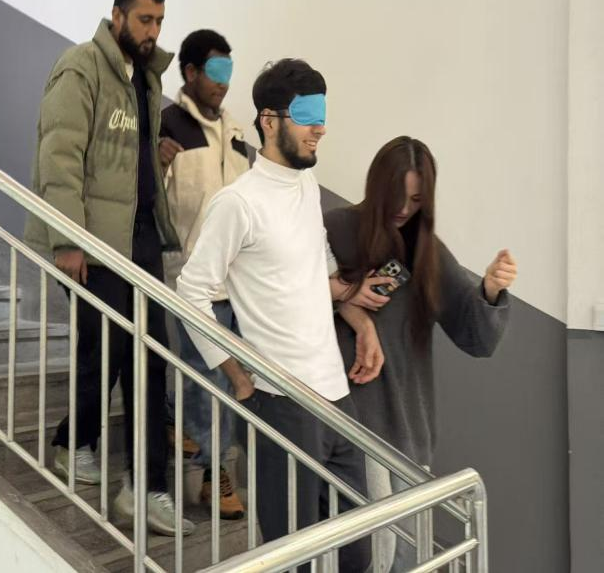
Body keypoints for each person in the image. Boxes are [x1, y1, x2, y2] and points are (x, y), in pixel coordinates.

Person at [177, 59, 374, 572]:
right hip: (282, 402)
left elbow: (317, 271)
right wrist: (238, 376)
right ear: (269, 121)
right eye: (307, 116)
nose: (320, 128)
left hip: (337, 398)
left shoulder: (307, 186)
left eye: (322, 116)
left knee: (357, 554)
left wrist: (360, 314)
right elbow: (190, 290)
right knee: (294, 558)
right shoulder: (237, 204)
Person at [24, 0, 193, 537]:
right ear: (117, 15)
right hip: (94, 243)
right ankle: (73, 442)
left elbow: (119, 155)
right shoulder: (81, 67)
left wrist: (155, 158)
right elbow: (60, 155)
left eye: (160, 21)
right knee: (107, 350)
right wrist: (67, 239)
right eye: (144, 19)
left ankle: (145, 487)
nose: (153, 31)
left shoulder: (145, 77)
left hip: (139, 239)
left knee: (151, 358)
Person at [325, 136, 517, 572]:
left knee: (406, 558)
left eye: (415, 200)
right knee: (366, 556)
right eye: (397, 196)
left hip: (406, 433)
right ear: (378, 185)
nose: (403, 209)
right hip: (345, 424)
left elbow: (476, 337)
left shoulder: (427, 251)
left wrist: (490, 289)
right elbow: (290, 298)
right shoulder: (334, 229)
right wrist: (348, 303)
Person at [158, 29, 251, 519]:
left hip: (236, 284)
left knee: (217, 377)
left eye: (228, 71)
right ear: (191, 72)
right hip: (191, 277)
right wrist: (157, 163)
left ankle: (176, 416)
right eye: (215, 71)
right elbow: (150, 201)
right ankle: (216, 474)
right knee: (210, 374)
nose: (223, 82)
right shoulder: (168, 126)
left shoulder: (238, 138)